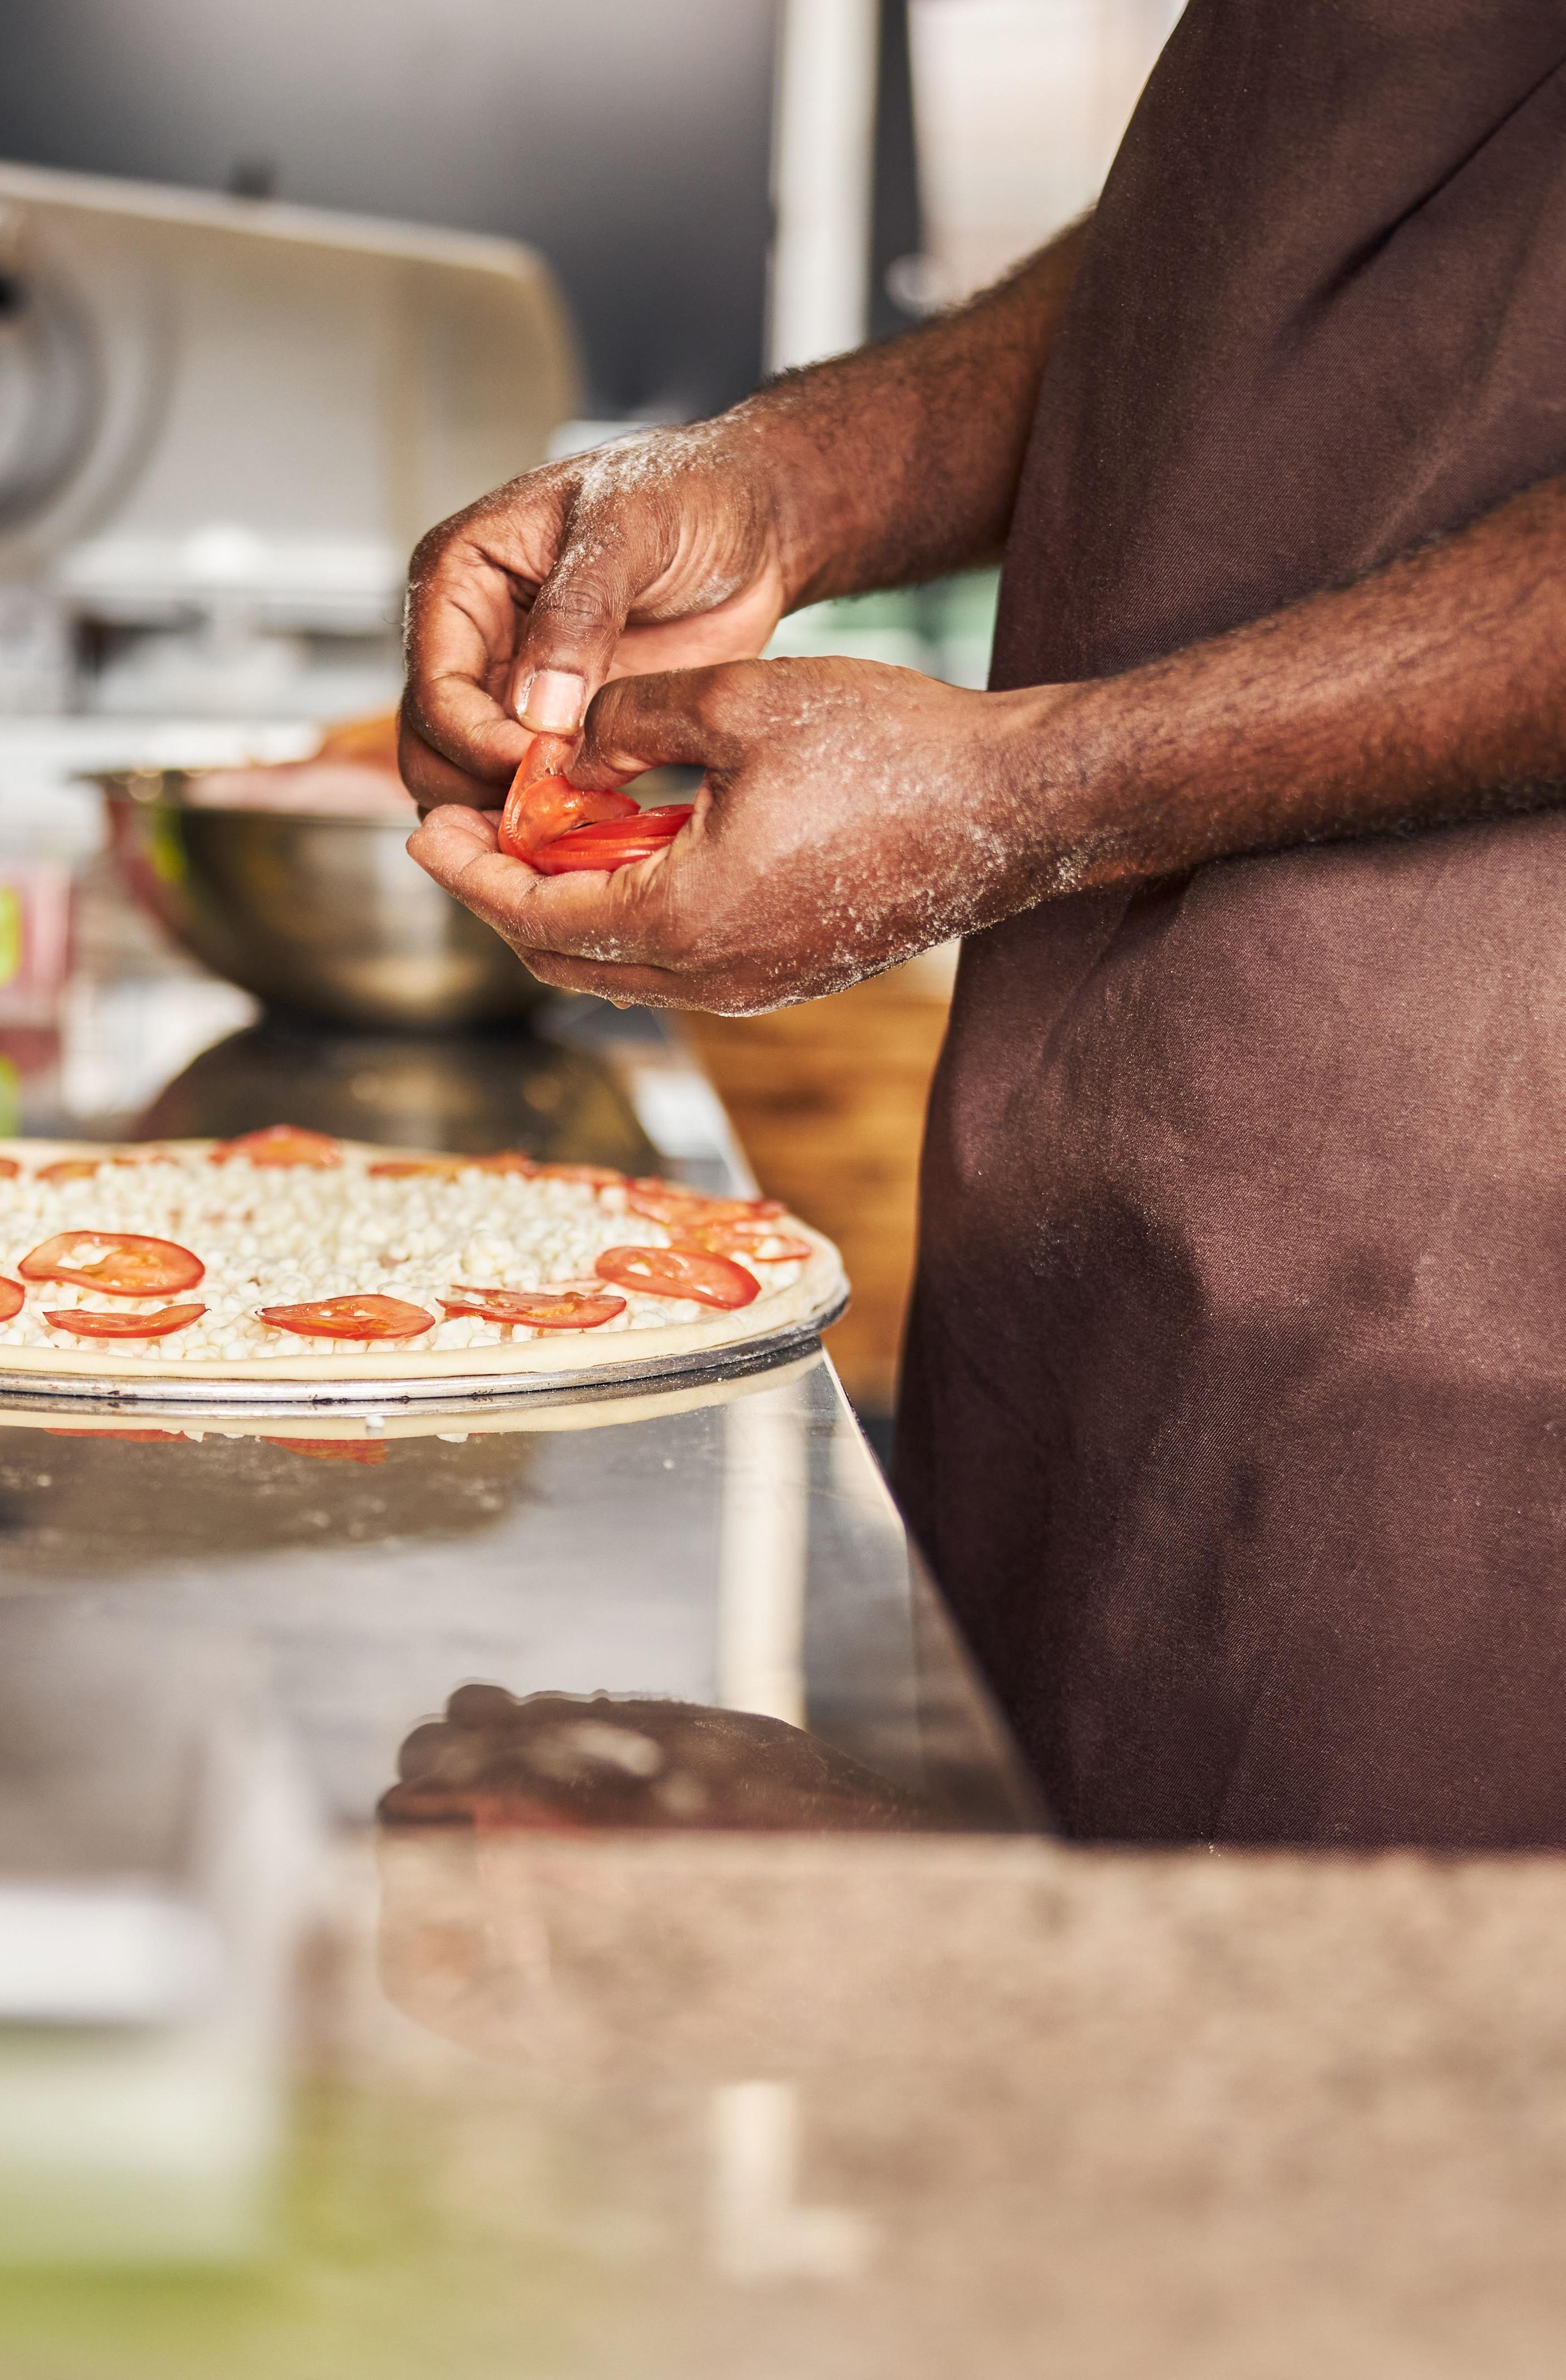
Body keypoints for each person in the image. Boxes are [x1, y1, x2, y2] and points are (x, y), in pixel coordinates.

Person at [399, 4, 1566, 1851]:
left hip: (1467, 1304)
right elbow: (1271, 251)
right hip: (1099, 1191)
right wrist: (791, 479)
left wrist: (1035, 788)